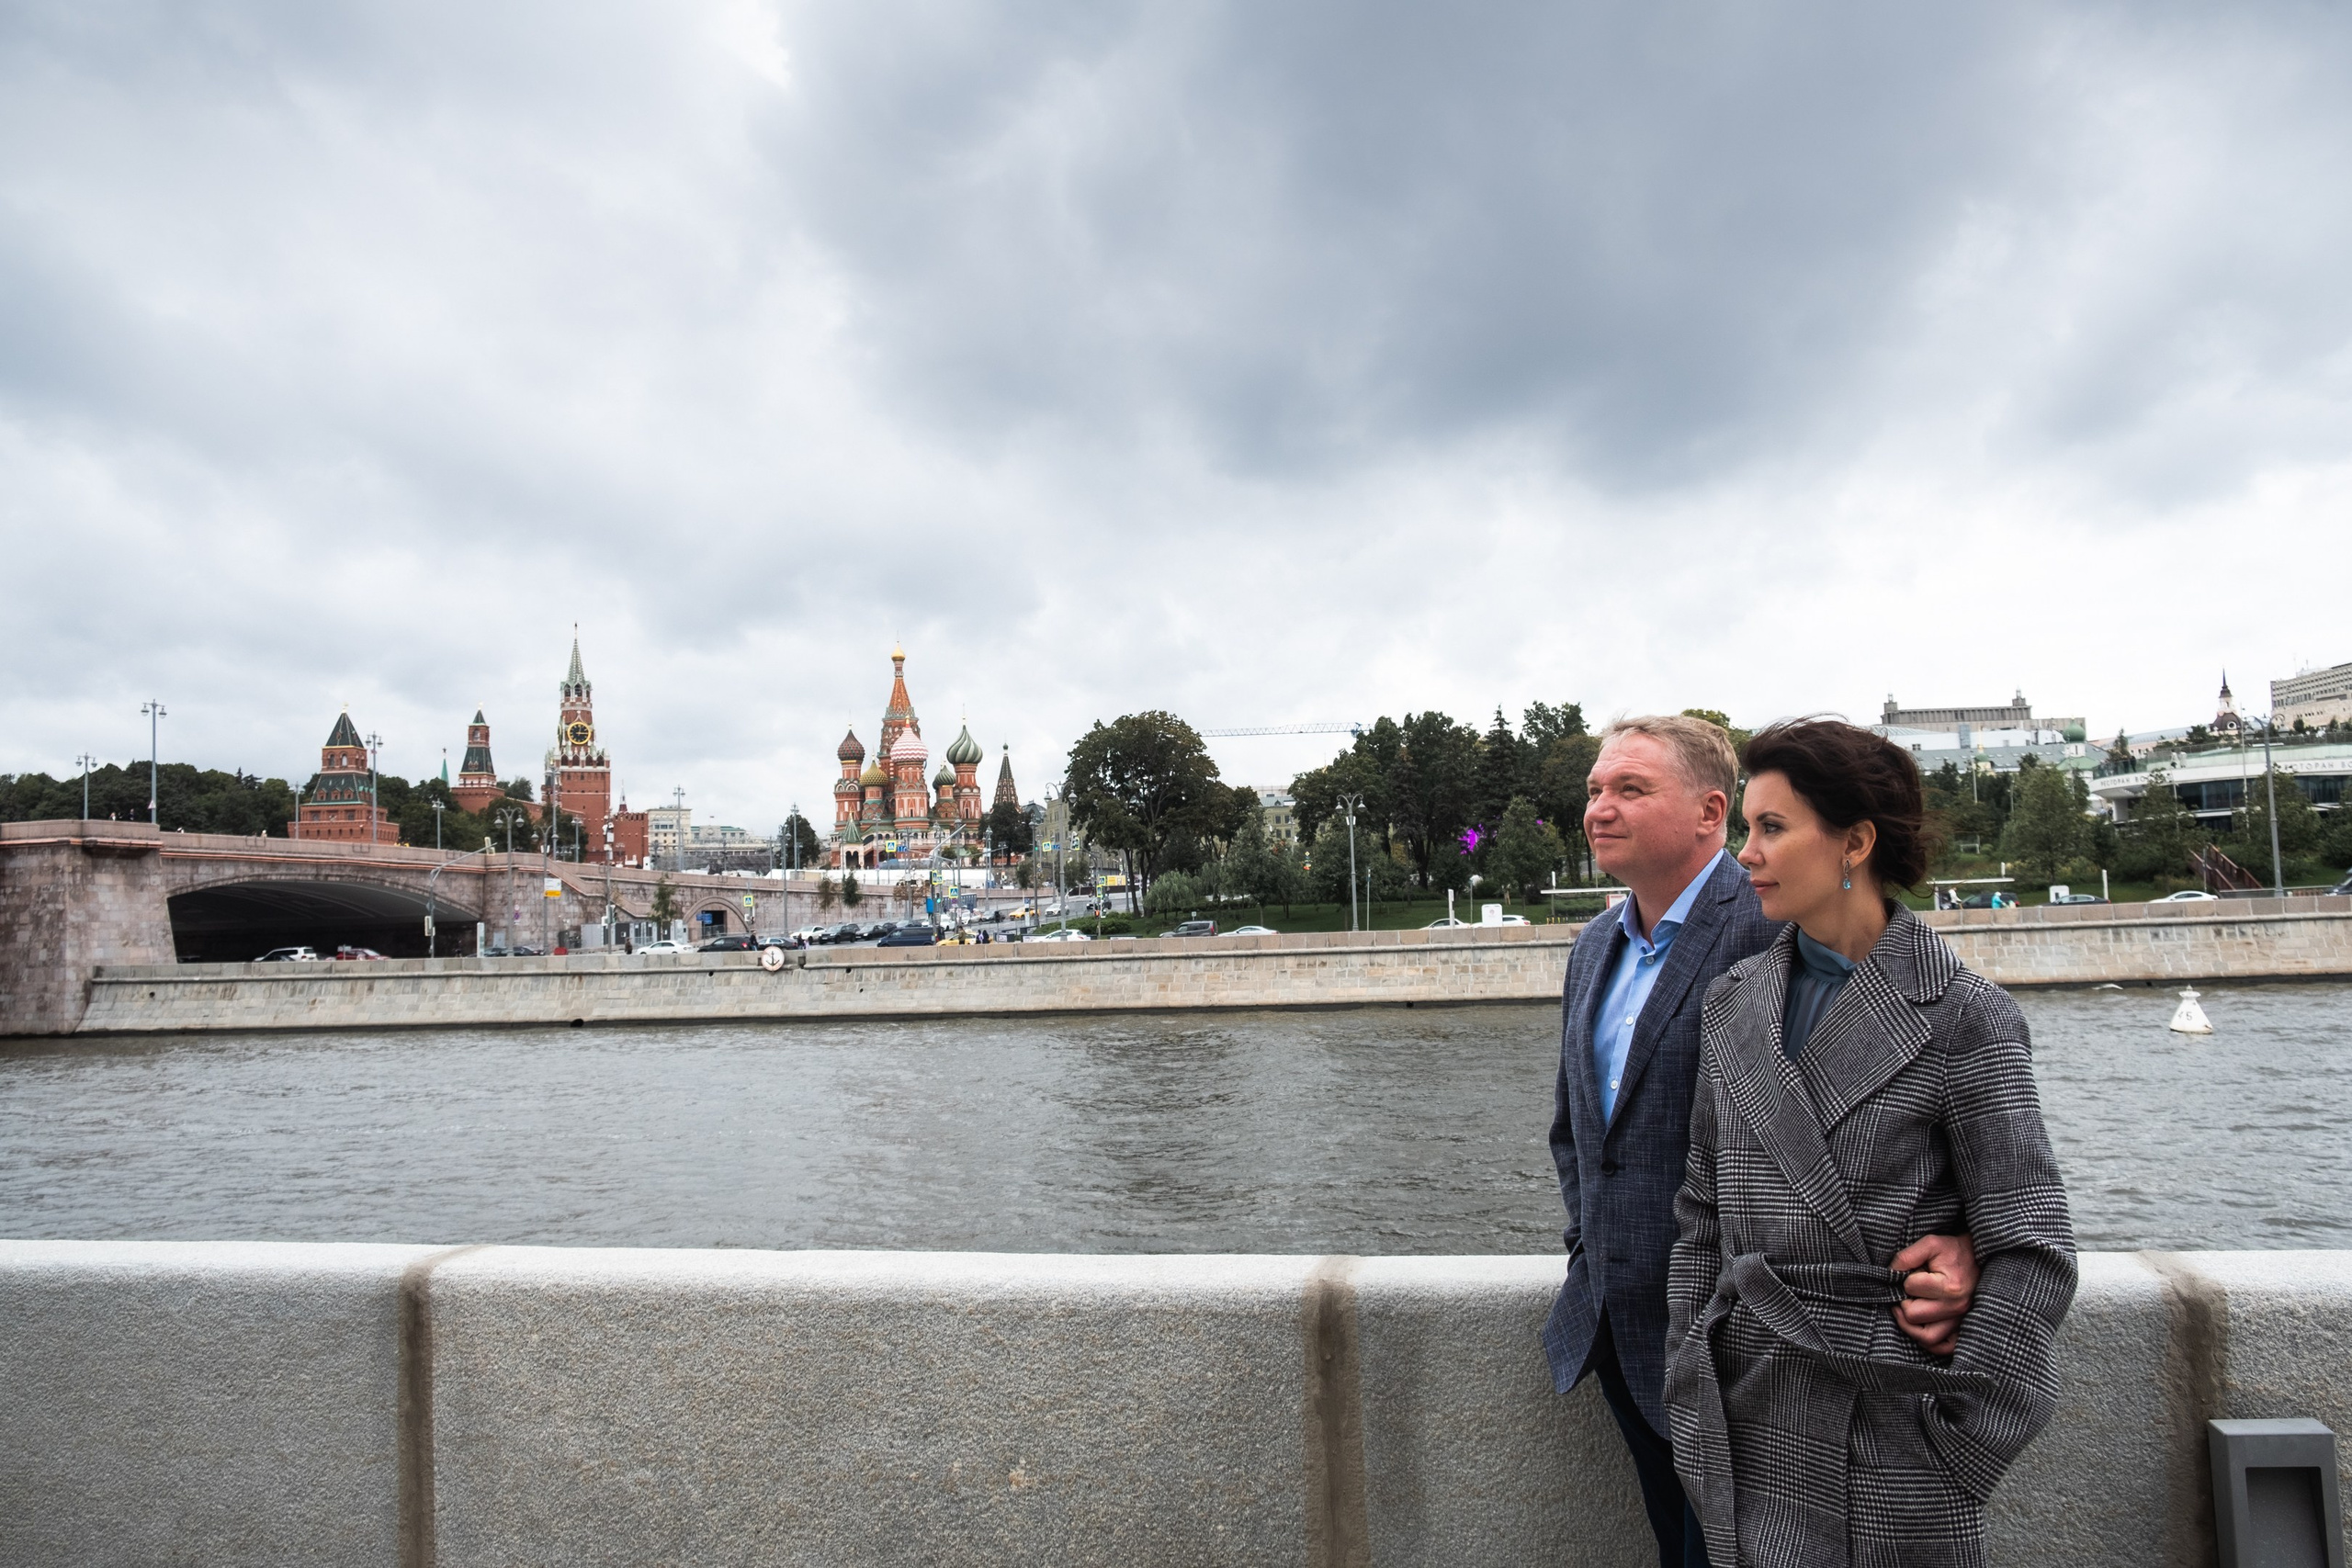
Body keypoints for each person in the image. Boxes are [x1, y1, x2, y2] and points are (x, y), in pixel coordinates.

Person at [1544, 716, 1982, 1568]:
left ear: (1710, 811)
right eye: (1595, 789)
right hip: (1619, 1330)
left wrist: (1961, 1231)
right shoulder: (1594, 946)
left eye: (1630, 788)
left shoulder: (1782, 915)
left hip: (1755, 1346)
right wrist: (1590, 1254)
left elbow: (1908, 1083)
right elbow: (1578, 1133)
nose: (1600, 808)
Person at [1664, 718, 2076, 1567]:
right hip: (1740, 1418)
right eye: (1747, 826)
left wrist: (1959, 1448)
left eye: (1772, 827)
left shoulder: (1965, 1016)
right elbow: (1702, 1211)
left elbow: (2032, 1249)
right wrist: (1689, 1374)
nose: (1746, 852)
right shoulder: (1732, 1001)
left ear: (1855, 842)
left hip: (1889, 1439)